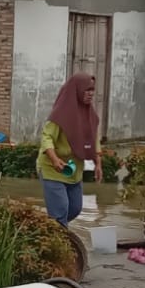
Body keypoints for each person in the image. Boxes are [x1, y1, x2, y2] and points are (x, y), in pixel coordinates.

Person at [37, 73, 99, 228]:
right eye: (87, 90)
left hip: (74, 170)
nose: (91, 93)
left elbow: (93, 140)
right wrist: (54, 158)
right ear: (77, 91)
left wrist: (98, 163)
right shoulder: (60, 115)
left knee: (74, 209)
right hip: (53, 169)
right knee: (60, 212)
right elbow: (46, 137)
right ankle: (60, 246)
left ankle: (47, 229)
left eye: (93, 90)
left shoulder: (89, 115)